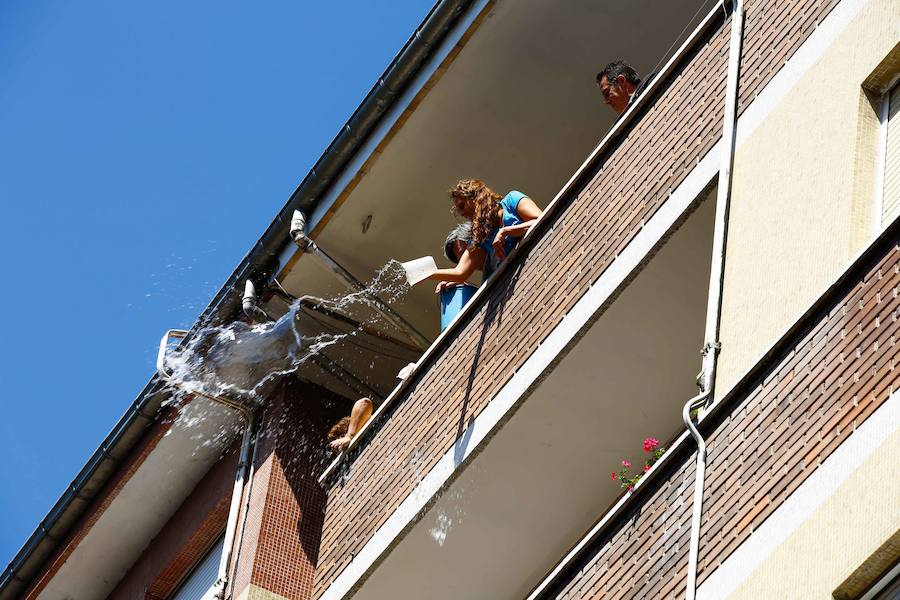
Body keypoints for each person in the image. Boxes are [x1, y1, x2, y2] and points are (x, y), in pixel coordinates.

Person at [424, 179, 542, 292]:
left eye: (462, 206)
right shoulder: (480, 239)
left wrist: (506, 231)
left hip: (541, 258)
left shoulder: (512, 200)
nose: (462, 213)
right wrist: (426, 273)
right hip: (521, 285)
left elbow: (540, 220)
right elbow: (460, 273)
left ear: (476, 197)